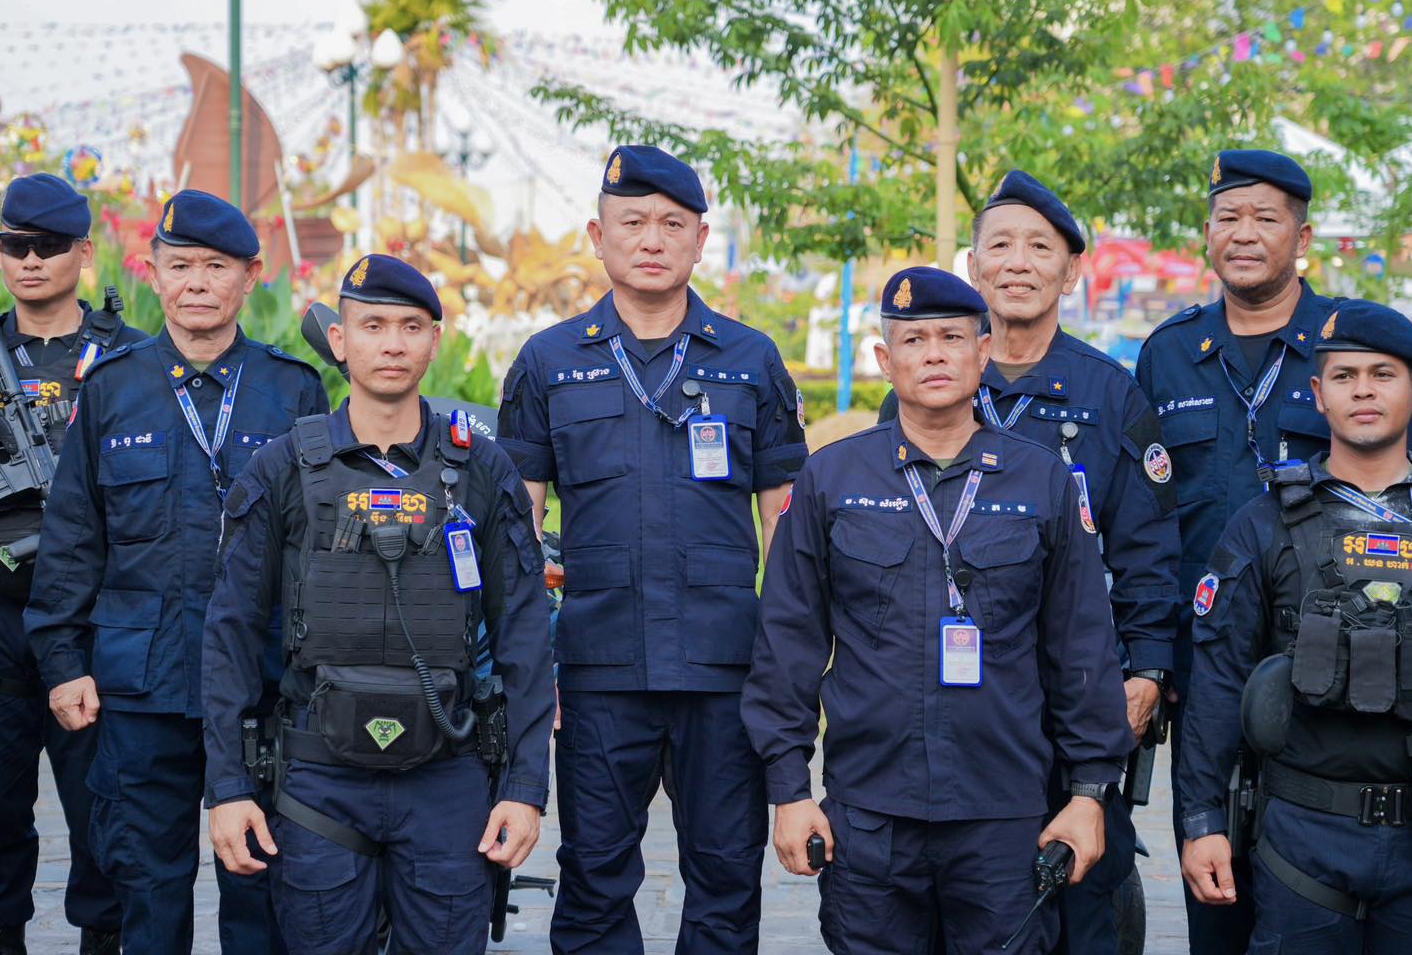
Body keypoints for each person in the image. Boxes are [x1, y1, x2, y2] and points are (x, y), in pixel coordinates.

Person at [743, 266, 1133, 955]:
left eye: (952, 338)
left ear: (983, 353)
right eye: (914, 340)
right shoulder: (832, 478)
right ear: (884, 359)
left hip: (1003, 813)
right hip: (870, 811)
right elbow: (786, 643)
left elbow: (1081, 646)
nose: (934, 355)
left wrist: (1089, 794)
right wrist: (789, 790)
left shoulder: (1041, 479)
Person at [498, 145, 807, 954]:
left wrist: (787, 671)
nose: (651, 239)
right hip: (599, 670)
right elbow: (518, 536)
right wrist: (528, 674)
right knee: (594, 881)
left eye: (672, 224)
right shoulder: (548, 363)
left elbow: (788, 533)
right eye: (632, 222)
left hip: (724, 673)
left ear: (701, 240)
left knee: (726, 883)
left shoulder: (751, 361)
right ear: (596, 236)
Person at [201, 254, 554, 953]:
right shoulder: (283, 467)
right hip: (319, 780)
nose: (392, 344)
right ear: (339, 340)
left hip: (447, 778)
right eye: (372, 325)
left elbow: (524, 631)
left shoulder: (482, 469)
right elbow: (231, 632)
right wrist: (229, 788)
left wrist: (524, 789)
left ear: (434, 340)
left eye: (410, 327)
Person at [879, 173, 1180, 953]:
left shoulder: (1110, 397)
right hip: (949, 708)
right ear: (974, 266)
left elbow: (1148, 553)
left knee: (1082, 905)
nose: (1018, 263)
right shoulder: (924, 383)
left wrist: (1147, 674)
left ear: (1070, 271)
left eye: (1040, 248)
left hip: (1072, 703)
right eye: (1001, 246)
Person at [24, 189, 329, 953]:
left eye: (216, 266)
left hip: (263, 687)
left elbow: (318, 549)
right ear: (152, 271)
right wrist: (62, 663)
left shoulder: (292, 390)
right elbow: (73, 538)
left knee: (263, 895)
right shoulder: (112, 388)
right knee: (144, 894)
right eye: (181, 264)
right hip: (138, 689)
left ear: (251, 276)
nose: (197, 282)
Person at [1177, 299, 1412, 953]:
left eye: (1383, 373)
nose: (1363, 390)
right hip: (1301, 841)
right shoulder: (1262, 525)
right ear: (1317, 394)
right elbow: (1218, 684)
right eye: (1344, 376)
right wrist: (1201, 820)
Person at [1135, 149, 1333, 955]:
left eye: (1265, 218)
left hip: (1333, 663)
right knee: (1213, 889)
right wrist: (1152, 659)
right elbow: (1143, 524)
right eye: (1228, 217)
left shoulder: (1348, 344)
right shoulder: (1168, 351)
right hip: (1204, 667)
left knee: (1324, 893)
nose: (1244, 234)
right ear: (1209, 232)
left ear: (1302, 237)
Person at [0, 174, 141, 955]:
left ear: (84, 252)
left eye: (49, 246)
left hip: (94, 624)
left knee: (105, 825)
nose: (31, 260)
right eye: (17, 245)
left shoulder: (131, 359)